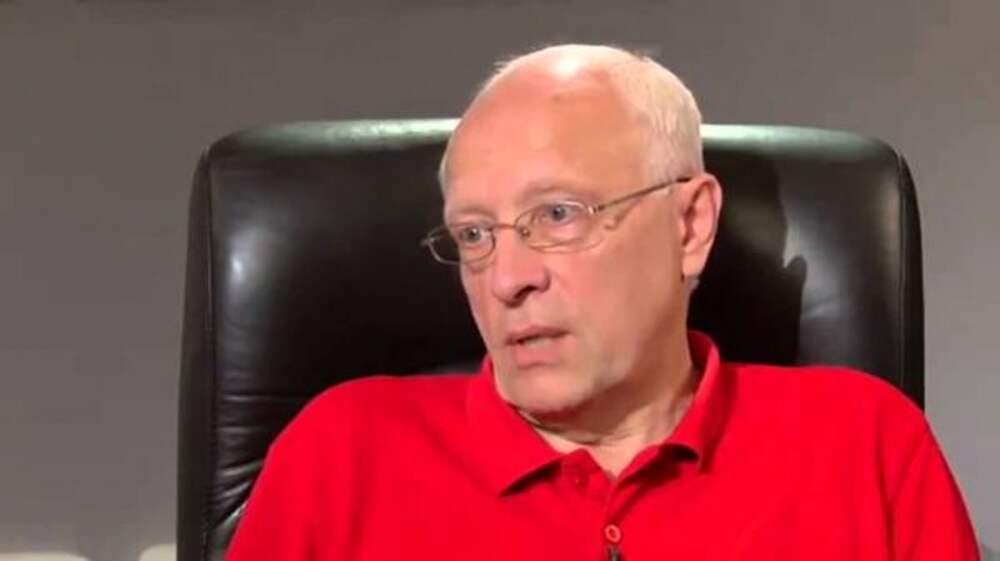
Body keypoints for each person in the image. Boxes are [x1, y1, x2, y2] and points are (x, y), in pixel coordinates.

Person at [225, 44, 980, 561]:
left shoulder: (865, 447)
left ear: (690, 225)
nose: (507, 278)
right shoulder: (341, 455)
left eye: (558, 215)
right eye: (475, 233)